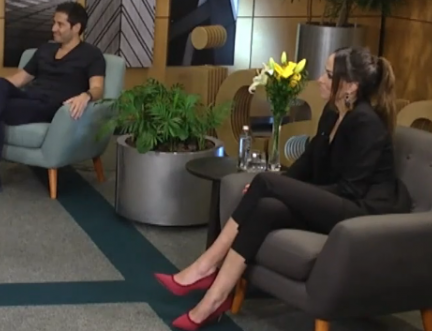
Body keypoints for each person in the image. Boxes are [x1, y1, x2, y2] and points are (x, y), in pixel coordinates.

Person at [155, 46, 409, 330]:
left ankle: (205, 266)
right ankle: (215, 299)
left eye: (328, 75)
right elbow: (307, 162)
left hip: (363, 213)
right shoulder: (332, 113)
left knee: (266, 181)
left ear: (350, 86)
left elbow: (351, 190)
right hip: (340, 199)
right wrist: (272, 191)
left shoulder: (366, 123)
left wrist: (280, 188)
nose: (320, 80)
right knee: (266, 206)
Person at [0, 1, 106, 197]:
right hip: (30, 96)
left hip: (52, 106)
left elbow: (98, 88)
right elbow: (20, 79)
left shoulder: (92, 55)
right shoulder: (45, 49)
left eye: (60, 24)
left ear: (76, 27)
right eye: (54, 23)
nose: (54, 28)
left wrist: (86, 95)